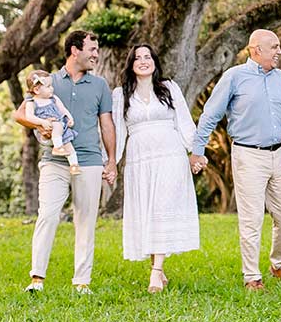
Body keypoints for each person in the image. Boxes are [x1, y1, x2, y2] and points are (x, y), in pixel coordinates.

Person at [191, 29, 281, 290]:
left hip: (280, 154)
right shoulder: (234, 77)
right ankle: (252, 276)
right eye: (274, 47)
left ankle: (279, 264)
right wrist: (198, 149)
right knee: (252, 218)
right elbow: (210, 114)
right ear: (256, 50)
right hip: (247, 154)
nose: (279, 51)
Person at [13, 30, 116, 294]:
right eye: (92, 49)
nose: (96, 54)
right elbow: (21, 115)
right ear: (74, 50)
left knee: (86, 220)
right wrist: (42, 124)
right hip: (53, 160)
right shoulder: (48, 82)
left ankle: (82, 282)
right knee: (47, 215)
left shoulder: (100, 85)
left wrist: (112, 160)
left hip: (90, 161)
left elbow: (106, 123)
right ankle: (37, 280)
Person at [112, 44, 201, 293]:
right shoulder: (120, 95)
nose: (143, 61)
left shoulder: (169, 88)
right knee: (149, 212)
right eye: (138, 58)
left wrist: (195, 152)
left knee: (162, 207)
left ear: (155, 62)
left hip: (171, 156)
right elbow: (119, 131)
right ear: (130, 64)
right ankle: (159, 270)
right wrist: (111, 162)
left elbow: (184, 121)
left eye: (147, 57)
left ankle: (155, 272)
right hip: (140, 160)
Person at [24, 70, 81, 175]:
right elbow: (29, 117)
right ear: (36, 90)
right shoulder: (32, 102)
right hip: (47, 129)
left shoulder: (53, 98)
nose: (52, 89)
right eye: (48, 86)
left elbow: (62, 108)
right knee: (57, 124)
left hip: (61, 129)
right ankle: (57, 147)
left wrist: (69, 117)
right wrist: (42, 122)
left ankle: (74, 165)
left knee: (69, 146)